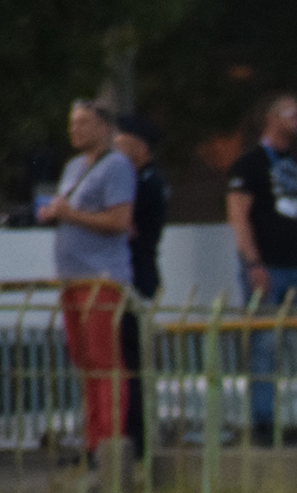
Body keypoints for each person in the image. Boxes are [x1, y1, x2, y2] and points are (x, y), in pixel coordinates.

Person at [36, 100, 134, 462]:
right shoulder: (73, 167)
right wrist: (55, 213)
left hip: (100, 277)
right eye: (72, 122)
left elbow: (119, 221)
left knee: (105, 360)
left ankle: (110, 442)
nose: (74, 129)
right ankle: (92, 440)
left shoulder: (117, 166)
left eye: (83, 123)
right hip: (72, 277)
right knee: (84, 360)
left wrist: (71, 215)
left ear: (103, 127)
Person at [226, 94, 297, 444]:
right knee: (263, 343)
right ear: (273, 118)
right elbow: (238, 215)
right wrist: (253, 262)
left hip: (294, 264)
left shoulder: (296, 164)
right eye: (293, 114)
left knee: (285, 345)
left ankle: (284, 416)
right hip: (266, 266)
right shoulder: (249, 164)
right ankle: (263, 421)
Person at [114, 114, 168, 459]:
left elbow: (127, 226)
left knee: (131, 359)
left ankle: (135, 436)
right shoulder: (138, 180)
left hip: (136, 277)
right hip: (133, 275)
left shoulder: (147, 183)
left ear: (140, 147)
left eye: (122, 140)